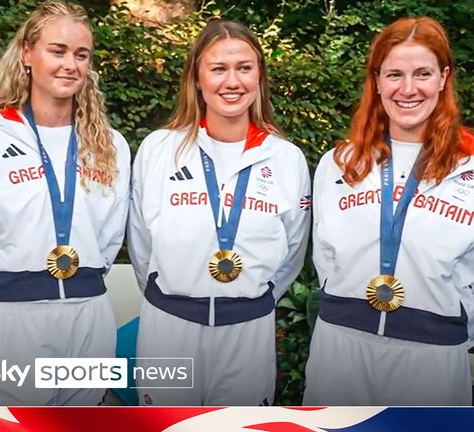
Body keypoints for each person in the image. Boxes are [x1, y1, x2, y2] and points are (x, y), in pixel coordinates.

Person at [0, 1, 130, 406]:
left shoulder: (110, 144)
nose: (70, 65)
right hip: (13, 313)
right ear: (28, 54)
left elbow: (111, 233)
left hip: (89, 312)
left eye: (81, 55)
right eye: (57, 51)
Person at [127, 19, 311, 406]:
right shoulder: (159, 150)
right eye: (218, 69)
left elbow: (292, 252)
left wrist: (249, 299)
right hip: (170, 326)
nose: (232, 81)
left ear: (259, 76)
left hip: (248, 329)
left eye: (244, 68)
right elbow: (142, 244)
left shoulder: (286, 158)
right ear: (197, 77)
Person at [305, 16, 474, 405]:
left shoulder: (468, 167)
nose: (408, 89)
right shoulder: (339, 162)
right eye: (394, 74)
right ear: (377, 80)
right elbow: (324, 258)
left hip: (432, 357)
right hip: (340, 349)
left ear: (443, 78)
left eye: (423, 73)